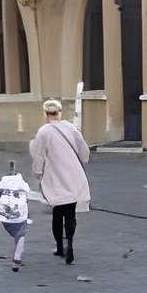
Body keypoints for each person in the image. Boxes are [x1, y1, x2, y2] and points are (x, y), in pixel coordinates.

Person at [29, 99, 90, 265]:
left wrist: (38, 173)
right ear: (60, 112)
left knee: (58, 211)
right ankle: (70, 242)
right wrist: (81, 162)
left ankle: (59, 246)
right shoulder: (71, 128)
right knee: (70, 213)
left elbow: (38, 155)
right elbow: (84, 151)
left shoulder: (43, 132)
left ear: (45, 114)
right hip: (73, 175)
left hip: (55, 176)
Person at [0, 167, 31, 272]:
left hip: (4, 218)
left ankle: (17, 254)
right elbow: (28, 197)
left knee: (16, 235)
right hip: (19, 216)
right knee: (21, 235)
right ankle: (17, 259)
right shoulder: (23, 185)